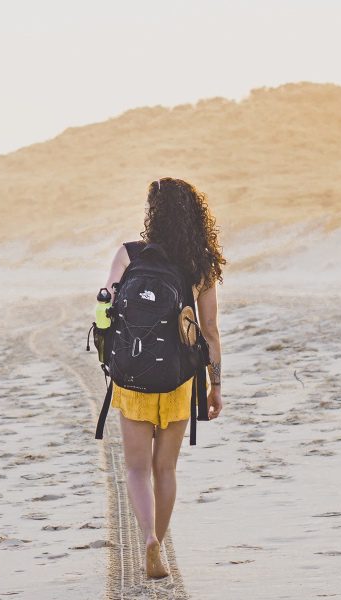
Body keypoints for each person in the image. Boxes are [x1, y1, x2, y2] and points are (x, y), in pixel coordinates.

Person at [101, 177, 226, 579]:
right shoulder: (199, 266)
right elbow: (210, 331)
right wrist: (215, 386)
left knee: (136, 469)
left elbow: (104, 314)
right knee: (165, 469)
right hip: (177, 380)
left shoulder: (129, 254)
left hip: (132, 378)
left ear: (152, 214)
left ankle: (147, 540)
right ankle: (159, 538)